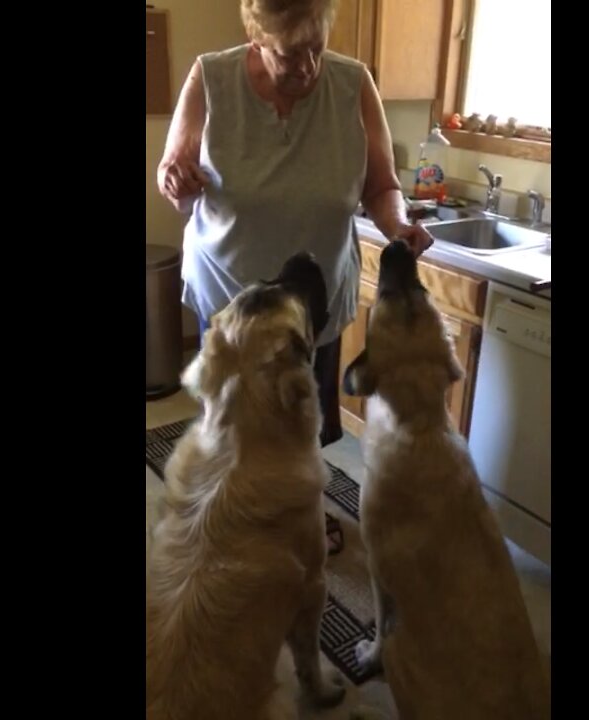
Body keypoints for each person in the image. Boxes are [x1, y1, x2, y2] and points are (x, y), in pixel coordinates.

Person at [157, 0, 434, 555]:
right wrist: (178, 179)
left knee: (306, 420)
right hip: (232, 293)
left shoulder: (352, 83)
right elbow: (175, 173)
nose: (307, 66)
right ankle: (234, 514)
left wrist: (399, 223)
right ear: (255, 38)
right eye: (290, 53)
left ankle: (305, 508)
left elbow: (382, 186)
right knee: (234, 421)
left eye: (317, 47)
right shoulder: (211, 77)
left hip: (315, 298)